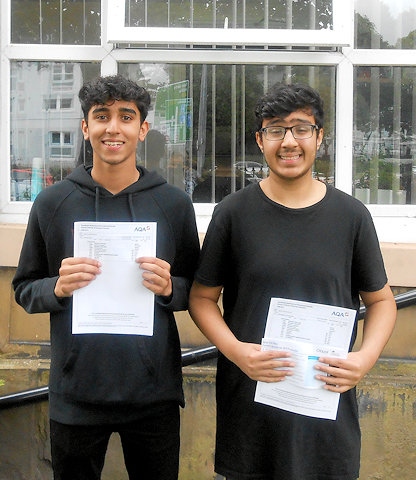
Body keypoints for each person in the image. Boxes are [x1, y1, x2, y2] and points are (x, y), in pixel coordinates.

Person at [189, 83, 397, 480]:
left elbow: (383, 301)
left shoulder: (351, 217)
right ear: (259, 140)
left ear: (319, 137)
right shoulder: (233, 213)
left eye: (301, 128)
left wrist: (363, 360)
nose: (289, 141)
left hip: (324, 412)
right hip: (251, 414)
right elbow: (201, 298)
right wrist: (236, 351)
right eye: (275, 129)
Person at [13, 74, 200, 480]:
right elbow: (24, 289)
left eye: (126, 117)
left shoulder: (173, 205)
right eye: (101, 116)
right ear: (85, 127)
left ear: (142, 128)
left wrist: (170, 288)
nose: (113, 128)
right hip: (76, 393)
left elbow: (195, 291)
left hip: (153, 395)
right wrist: (57, 287)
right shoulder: (51, 204)